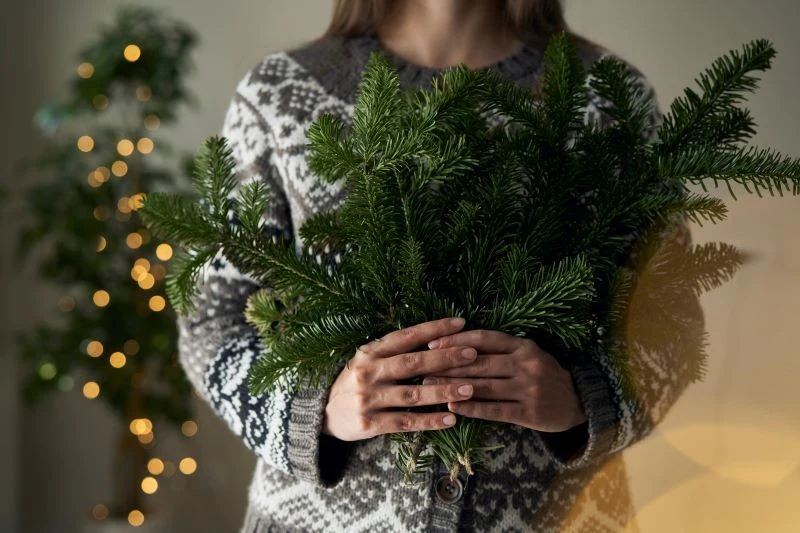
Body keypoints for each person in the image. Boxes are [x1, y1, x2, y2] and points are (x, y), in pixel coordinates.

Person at [178, 1, 703, 531]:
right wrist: (315, 410)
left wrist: (586, 399)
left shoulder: (605, 97)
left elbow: (672, 319)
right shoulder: (278, 95)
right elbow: (211, 320)